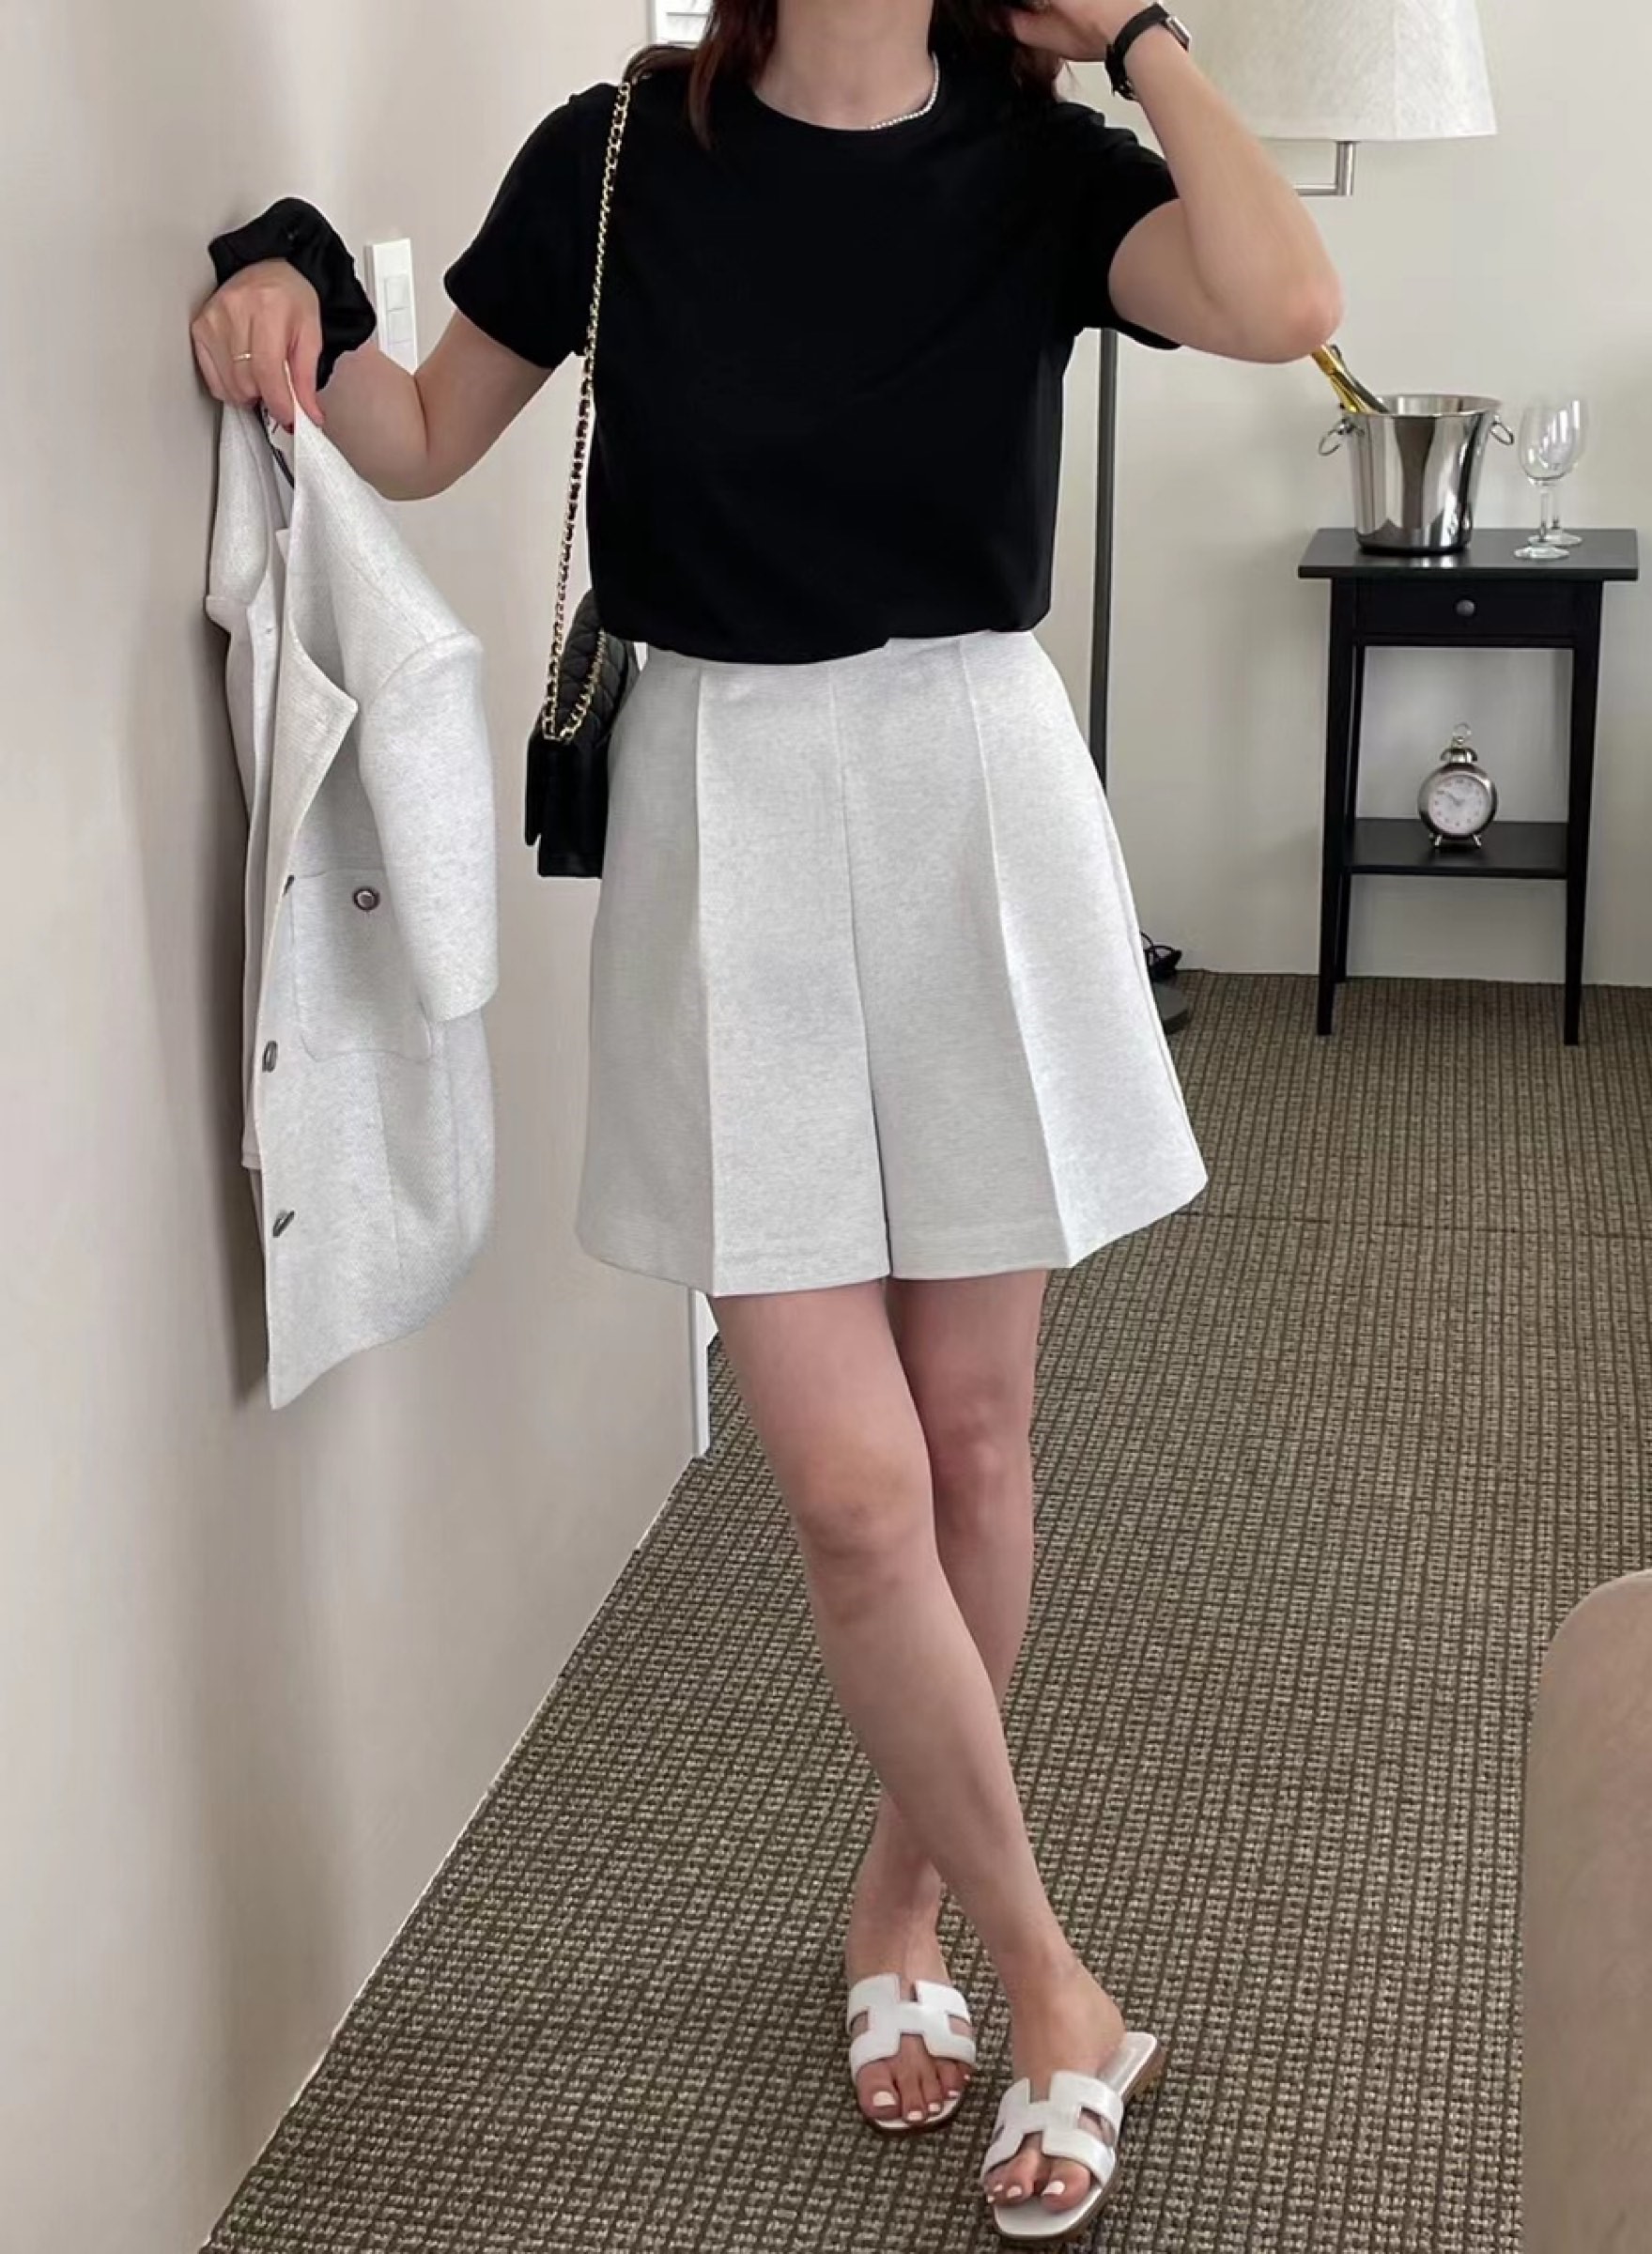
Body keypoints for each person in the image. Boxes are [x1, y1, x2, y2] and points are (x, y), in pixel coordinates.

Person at [192, 1, 1340, 2235]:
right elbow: (415, 435)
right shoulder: (619, 152)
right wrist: (285, 269)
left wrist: (1141, 39)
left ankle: (902, 1901)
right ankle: (1053, 1978)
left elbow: (1288, 300)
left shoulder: (1037, 163)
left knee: (974, 1443)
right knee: (848, 1484)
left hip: (972, 799)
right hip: (722, 805)